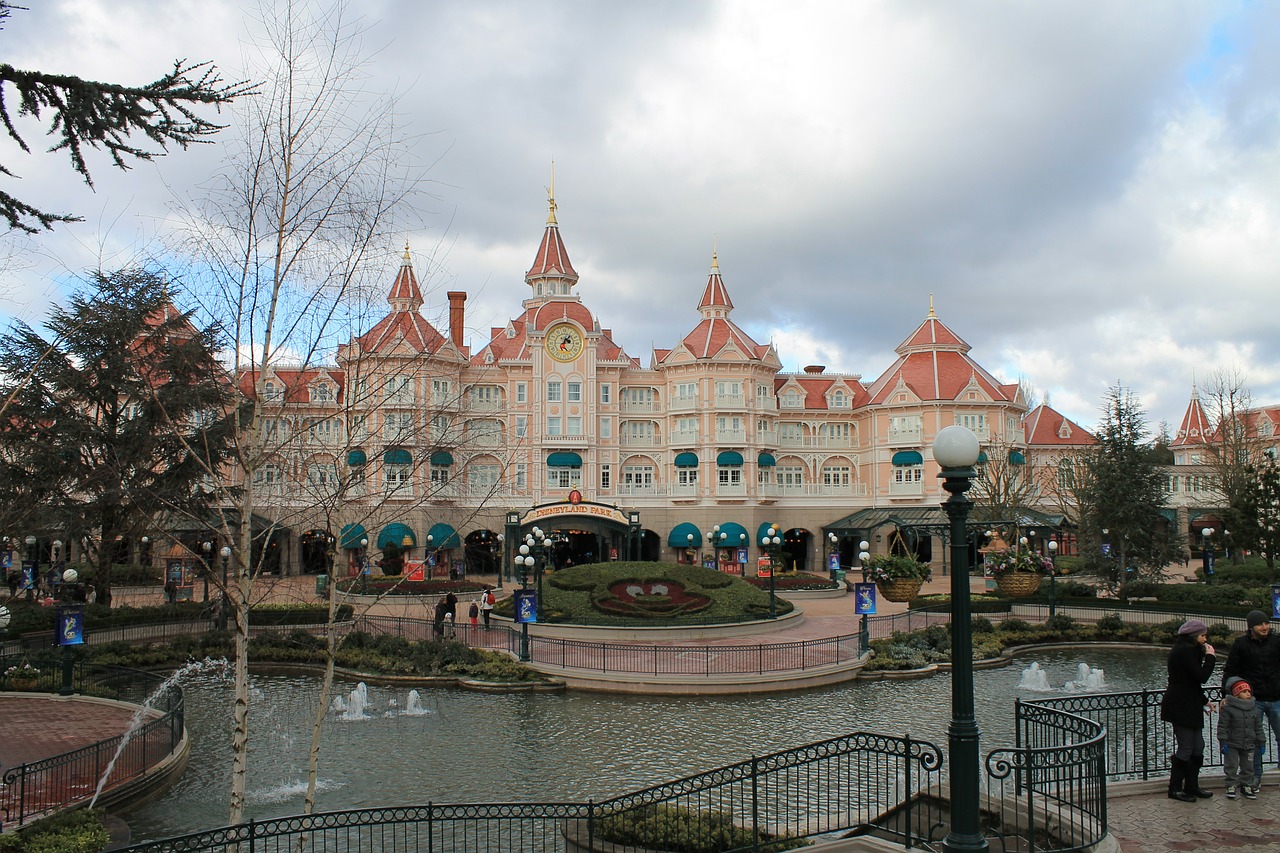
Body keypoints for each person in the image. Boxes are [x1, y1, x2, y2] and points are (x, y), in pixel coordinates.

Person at [1223, 609, 1280, 790]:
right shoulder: (1240, 645)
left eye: (1266, 623)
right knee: (1253, 741)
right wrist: (1227, 695)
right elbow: (1230, 671)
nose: (1264, 627)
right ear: (1251, 627)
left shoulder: (1276, 642)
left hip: (1277, 697)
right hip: (1252, 701)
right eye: (1260, 624)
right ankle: (1255, 776)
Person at [1160, 618, 1216, 802]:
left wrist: (1204, 701)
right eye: (1202, 635)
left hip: (1190, 703)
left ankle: (1192, 786)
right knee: (1186, 747)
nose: (1205, 639)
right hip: (1180, 705)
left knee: (1198, 746)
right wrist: (1210, 657)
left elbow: (1190, 682)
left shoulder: (1189, 650)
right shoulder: (1184, 651)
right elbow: (1201, 677)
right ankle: (1175, 788)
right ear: (1193, 636)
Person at [1220, 677, 1266, 799]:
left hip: (1249, 744)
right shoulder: (1228, 709)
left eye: (1249, 692)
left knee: (1248, 767)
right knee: (1231, 766)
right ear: (1236, 694)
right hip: (1232, 743)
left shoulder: (1253, 709)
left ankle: (1246, 785)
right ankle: (1231, 785)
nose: (1248, 694)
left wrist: (1261, 742)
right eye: (1244, 692)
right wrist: (1223, 741)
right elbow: (1223, 726)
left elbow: (1258, 727)